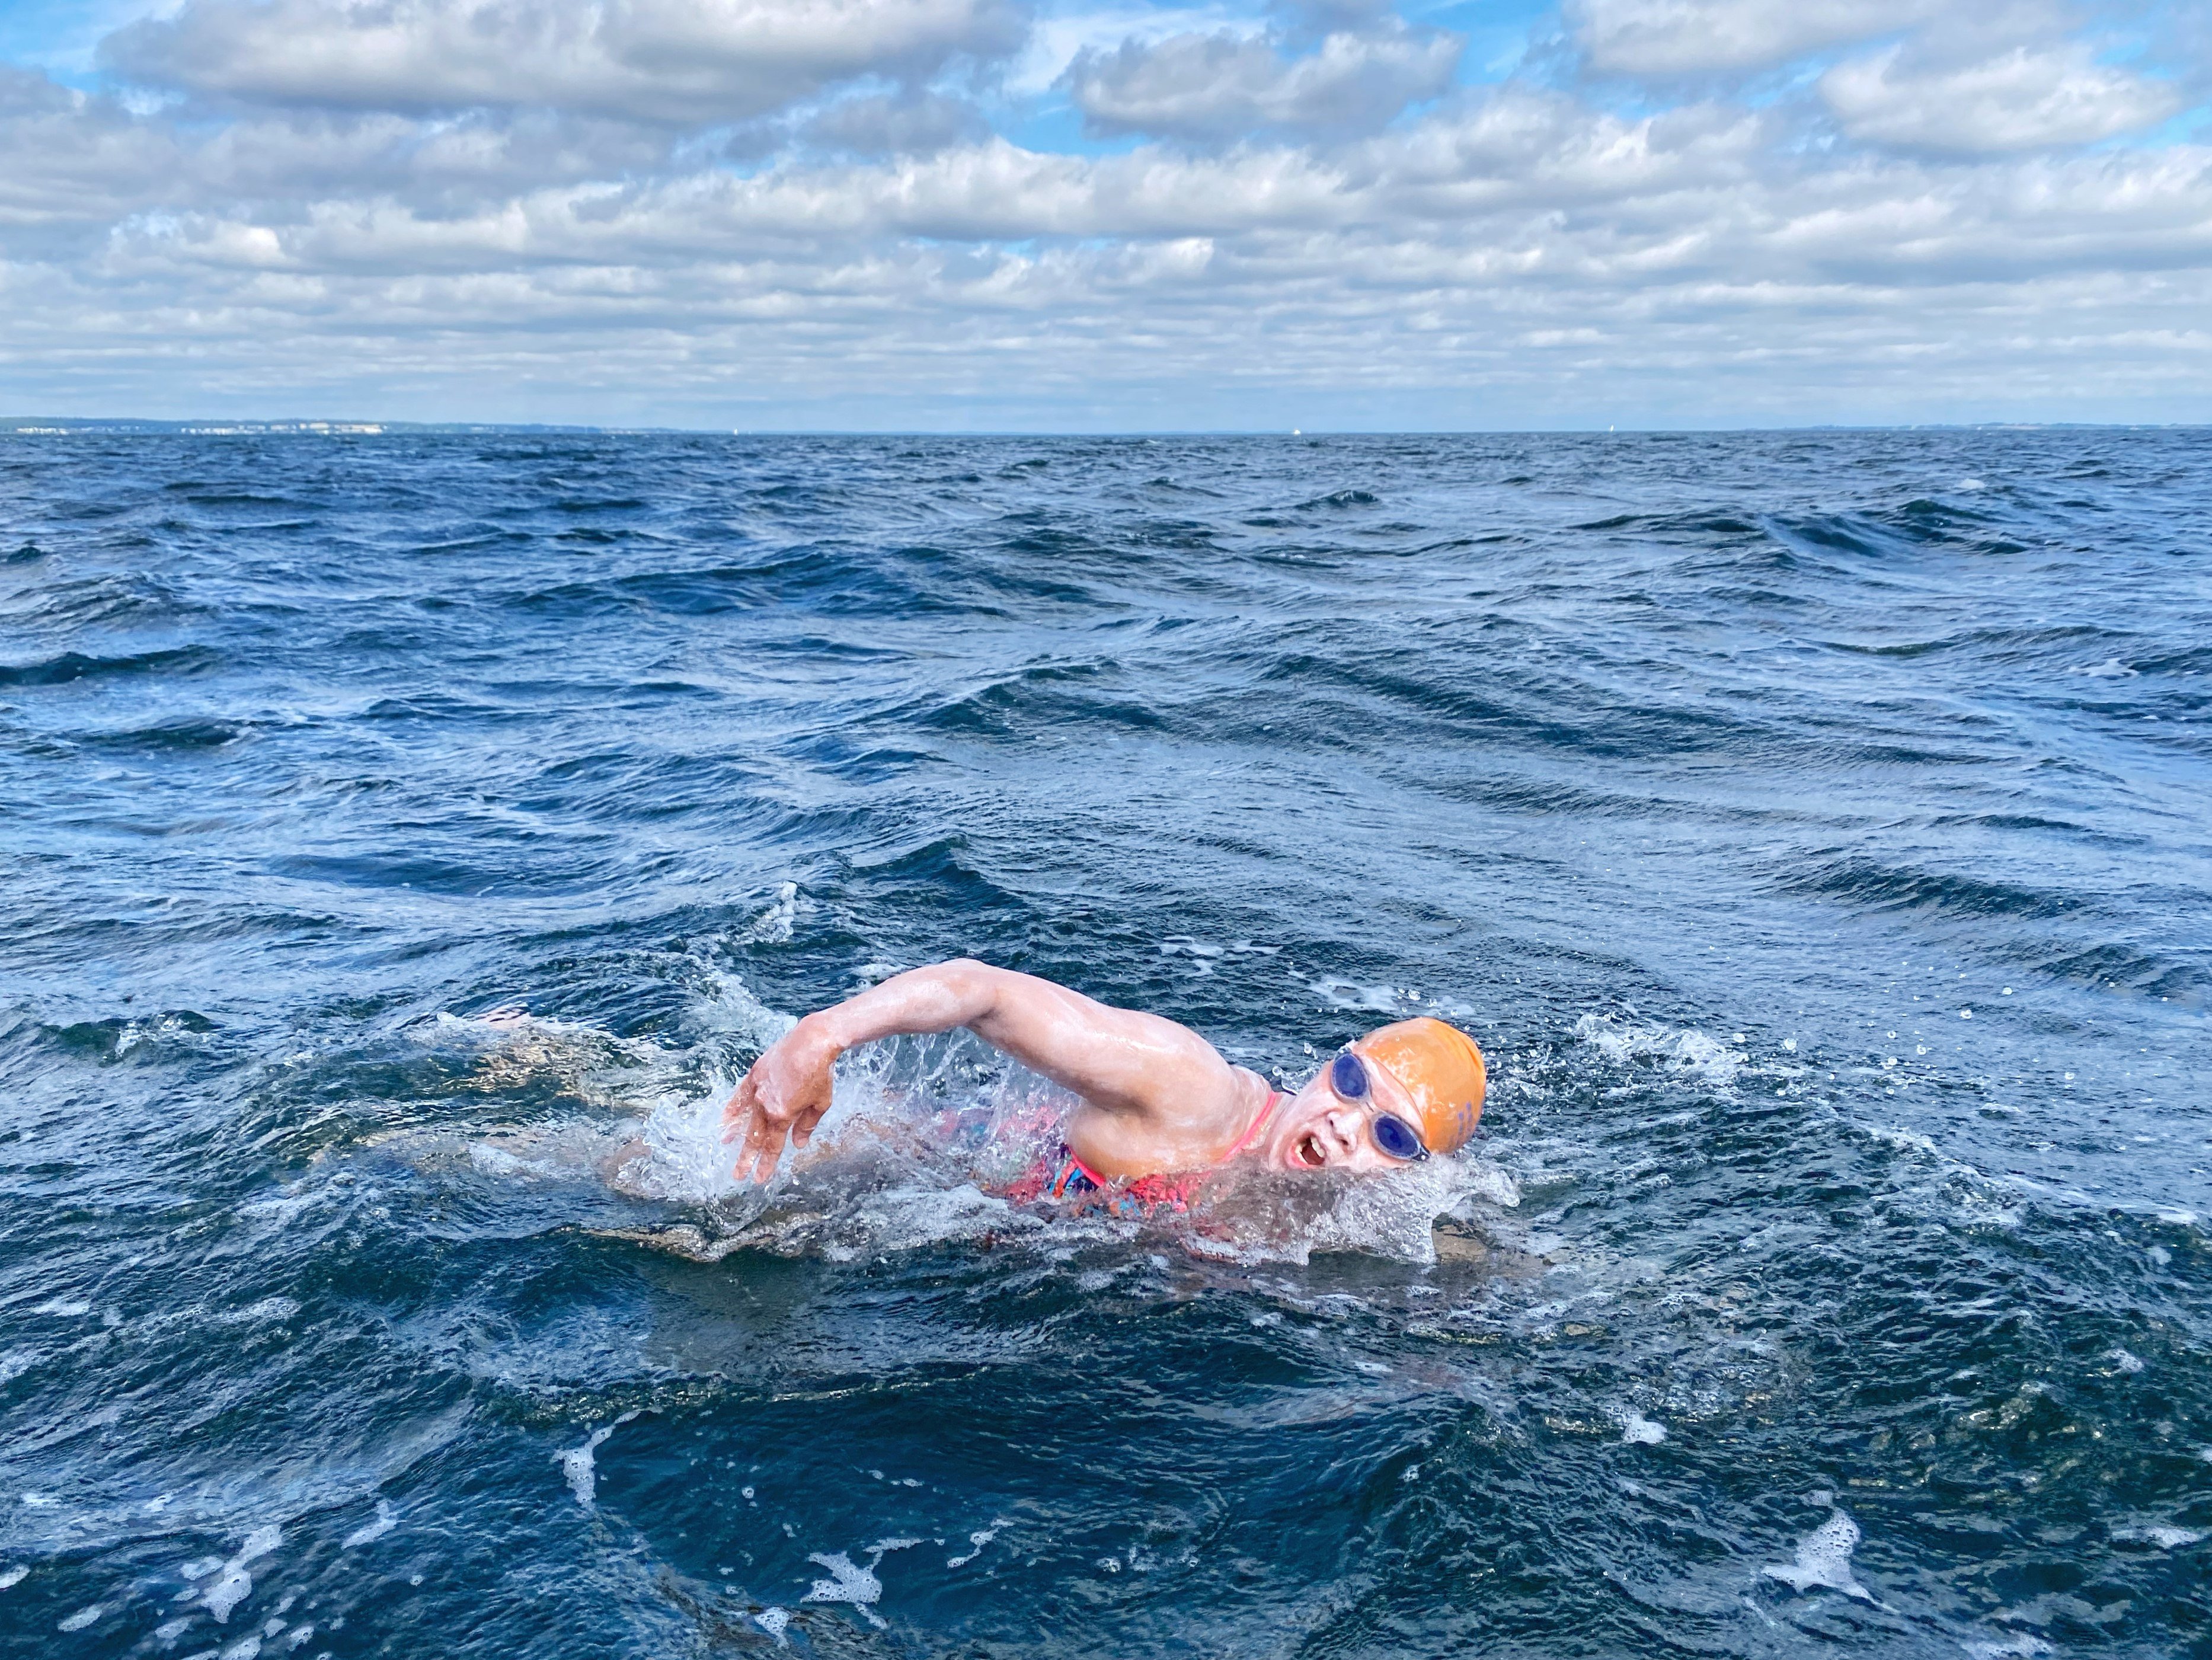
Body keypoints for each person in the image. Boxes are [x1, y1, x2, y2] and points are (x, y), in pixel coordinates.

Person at [722, 959, 1486, 1209]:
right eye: (1353, 1081)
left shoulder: (1361, 1224)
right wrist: (820, 1035)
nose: (1348, 1122)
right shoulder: (1194, 1094)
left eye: (1391, 1134)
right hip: (909, 1164)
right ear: (1328, 1064)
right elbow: (984, 991)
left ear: (1418, 1174)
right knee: (680, 1198)